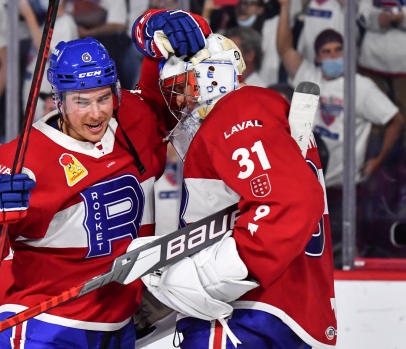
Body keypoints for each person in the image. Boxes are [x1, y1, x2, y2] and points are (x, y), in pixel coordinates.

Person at [131, 9, 337, 348]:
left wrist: (206, 279)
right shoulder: (261, 112)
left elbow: (291, 203)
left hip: (244, 319)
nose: (179, 101)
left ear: (214, 75)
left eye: (184, 87)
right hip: (282, 310)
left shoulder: (238, 111)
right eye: (173, 92)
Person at [0, 37, 175, 348]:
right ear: (58, 100)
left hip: (118, 326)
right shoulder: (22, 159)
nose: (96, 113)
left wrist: (152, 30)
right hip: (44, 326)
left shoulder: (133, 121)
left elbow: (161, 99)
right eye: (81, 102)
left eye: (103, 98)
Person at [277, 0, 405, 262]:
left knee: (347, 248)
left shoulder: (360, 86)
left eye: (338, 50)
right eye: (327, 52)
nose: (334, 56)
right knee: (308, 250)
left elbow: (396, 119)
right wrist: (284, 8)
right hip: (308, 183)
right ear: (318, 57)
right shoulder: (308, 76)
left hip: (343, 187)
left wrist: (377, 160)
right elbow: (284, 48)